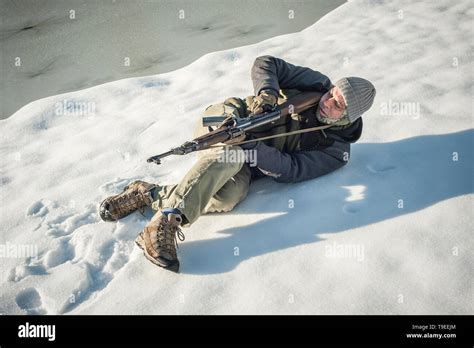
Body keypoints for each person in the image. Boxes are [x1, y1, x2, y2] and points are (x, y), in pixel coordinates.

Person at [98, 55, 376, 273]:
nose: (328, 101)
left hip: (248, 157)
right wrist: (267, 95)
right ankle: (165, 223)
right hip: (226, 118)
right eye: (332, 93)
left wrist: (253, 148)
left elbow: (292, 169)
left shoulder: (336, 151)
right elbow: (267, 63)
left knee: (230, 194)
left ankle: (146, 194)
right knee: (227, 156)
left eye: (338, 104)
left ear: (348, 117)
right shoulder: (316, 84)